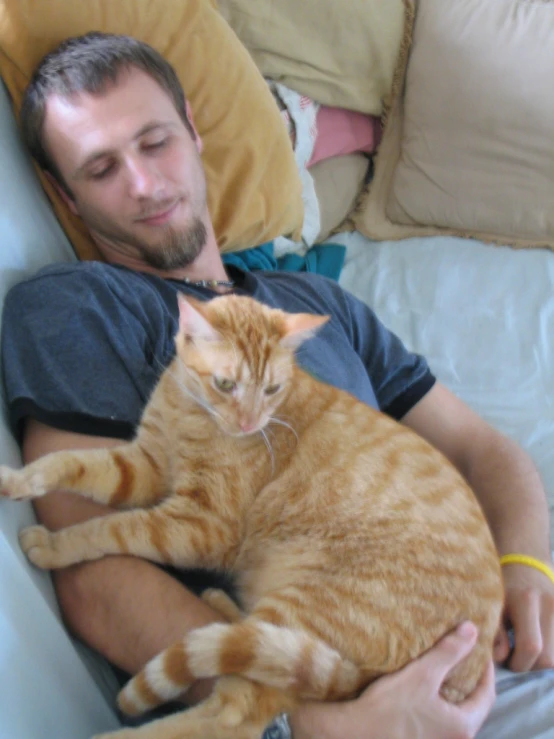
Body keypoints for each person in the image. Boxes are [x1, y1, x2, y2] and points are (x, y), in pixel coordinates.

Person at [2, 32, 553, 739]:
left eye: (155, 141)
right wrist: (311, 719)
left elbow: (481, 448)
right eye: (102, 167)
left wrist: (526, 566)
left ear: (195, 132)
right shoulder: (80, 304)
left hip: (479, 655)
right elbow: (92, 575)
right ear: (63, 196)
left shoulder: (316, 301)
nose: (144, 184)